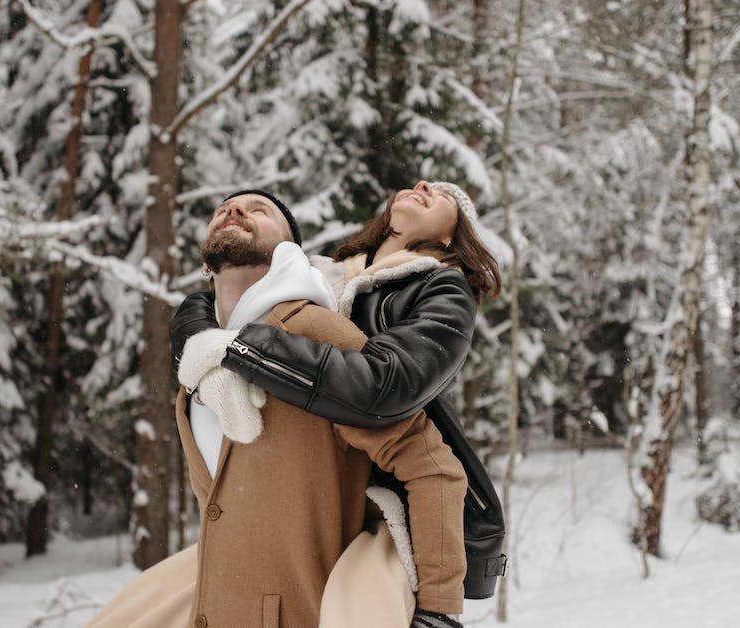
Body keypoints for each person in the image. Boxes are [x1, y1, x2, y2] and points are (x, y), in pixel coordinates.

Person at [86, 190, 468, 628]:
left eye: (259, 210)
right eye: (223, 209)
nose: (234, 210)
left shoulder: (315, 333)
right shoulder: (196, 366)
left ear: (288, 250)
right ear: (207, 264)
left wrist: (437, 610)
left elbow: (434, 469)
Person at [171, 180, 508, 602]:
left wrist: (241, 351)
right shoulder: (328, 277)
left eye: (446, 196)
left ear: (450, 235)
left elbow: (385, 385)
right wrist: (204, 353)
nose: (423, 185)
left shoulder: (444, 288)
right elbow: (211, 305)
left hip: (388, 502)